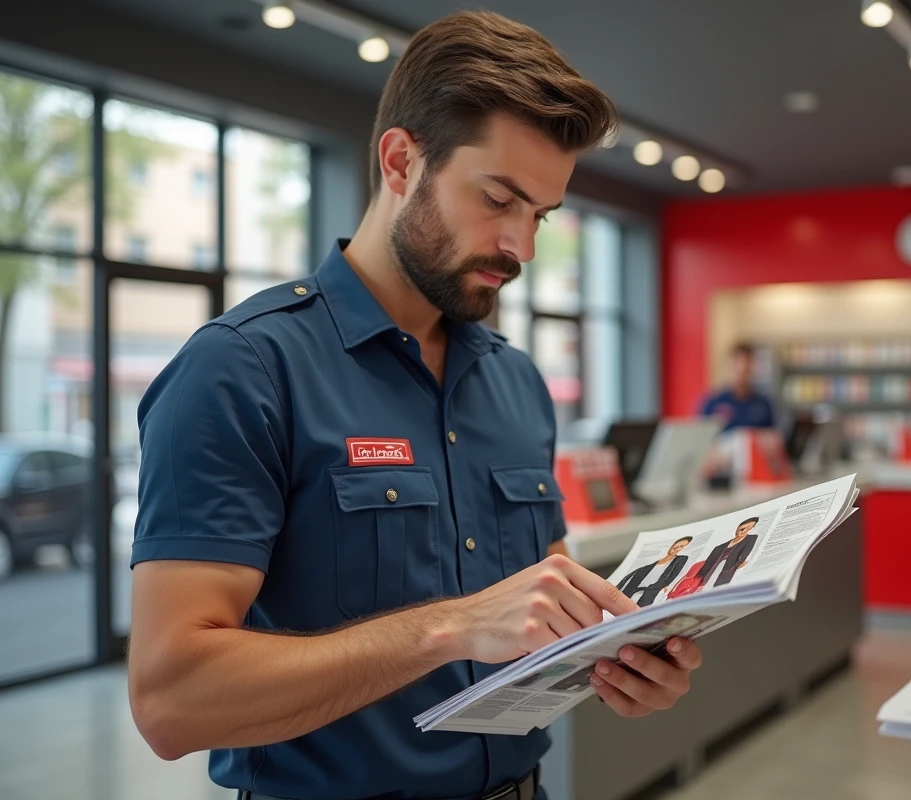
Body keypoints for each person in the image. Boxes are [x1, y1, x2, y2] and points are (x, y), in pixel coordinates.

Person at [125, 12, 702, 800]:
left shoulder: (517, 383)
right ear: (401, 161)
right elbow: (171, 701)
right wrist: (450, 627)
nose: (522, 247)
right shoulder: (243, 369)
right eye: (499, 198)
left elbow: (545, 600)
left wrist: (617, 658)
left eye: (540, 215)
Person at [698, 342, 775, 432]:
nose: (741, 374)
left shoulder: (763, 404)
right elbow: (701, 437)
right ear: (730, 366)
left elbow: (771, 438)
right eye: (737, 368)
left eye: (746, 369)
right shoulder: (713, 403)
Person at [615, 536, 693, 607]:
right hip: (631, 593)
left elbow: (675, 575)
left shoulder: (680, 560)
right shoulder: (649, 564)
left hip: (649, 594)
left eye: (682, 547)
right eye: (677, 545)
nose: (677, 548)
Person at [695, 517, 760, 589]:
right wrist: (700, 583)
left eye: (751, 527)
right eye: (742, 529)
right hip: (707, 583)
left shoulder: (752, 538)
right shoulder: (718, 548)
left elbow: (744, 556)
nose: (747, 530)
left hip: (727, 580)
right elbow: (706, 567)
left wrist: (740, 563)